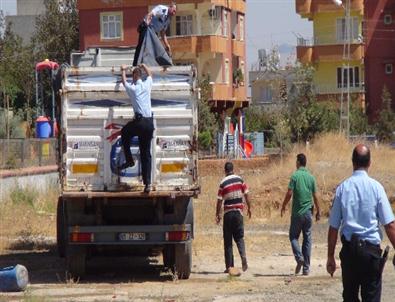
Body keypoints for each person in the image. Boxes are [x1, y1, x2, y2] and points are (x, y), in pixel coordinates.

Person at [327, 144, 395, 301]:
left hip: (350, 254)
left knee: (350, 297)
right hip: (371, 255)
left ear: (353, 162)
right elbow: (389, 225)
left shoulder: (342, 189)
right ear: (369, 163)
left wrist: (330, 256)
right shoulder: (377, 188)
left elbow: (333, 228)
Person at [281, 153, 320, 276]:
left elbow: (289, 193)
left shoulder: (295, 176)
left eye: (296, 161)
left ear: (298, 162)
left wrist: (283, 205)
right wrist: (319, 210)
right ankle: (306, 269)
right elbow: (315, 196)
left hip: (297, 213)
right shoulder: (311, 177)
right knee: (307, 239)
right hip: (308, 212)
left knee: (293, 236)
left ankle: (299, 258)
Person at [119, 63, 155, 193]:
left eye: (132, 75)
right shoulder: (147, 85)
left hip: (139, 122)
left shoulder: (133, 89)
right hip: (149, 123)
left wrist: (123, 70)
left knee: (124, 132)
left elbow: (124, 82)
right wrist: (145, 65)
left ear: (134, 76)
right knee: (146, 153)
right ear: (141, 75)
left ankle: (129, 160)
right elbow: (150, 74)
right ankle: (148, 184)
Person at [216, 162, 252, 273]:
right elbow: (246, 194)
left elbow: (219, 200)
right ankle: (243, 256)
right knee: (239, 237)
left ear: (225, 170)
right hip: (239, 213)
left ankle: (229, 267)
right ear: (233, 169)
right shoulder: (240, 180)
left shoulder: (223, 183)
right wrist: (249, 208)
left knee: (228, 241)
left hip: (228, 214)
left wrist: (218, 214)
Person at [133, 2, 177, 66]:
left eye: (175, 12)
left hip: (153, 32)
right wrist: (147, 24)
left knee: (152, 49)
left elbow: (163, 32)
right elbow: (150, 14)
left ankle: (146, 65)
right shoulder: (162, 9)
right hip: (147, 27)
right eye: (174, 10)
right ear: (170, 7)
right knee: (141, 45)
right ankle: (135, 65)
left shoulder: (168, 19)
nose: (174, 13)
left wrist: (167, 45)